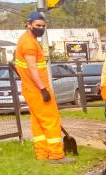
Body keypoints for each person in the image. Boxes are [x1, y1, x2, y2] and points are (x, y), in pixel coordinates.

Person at [14, 11, 74, 164]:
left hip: (30, 89)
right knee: (51, 120)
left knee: (38, 122)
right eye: (37, 25)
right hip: (37, 89)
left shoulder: (27, 39)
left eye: (43, 26)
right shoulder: (29, 43)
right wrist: (43, 89)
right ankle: (56, 155)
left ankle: (42, 153)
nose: (40, 28)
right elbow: (33, 69)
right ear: (29, 25)